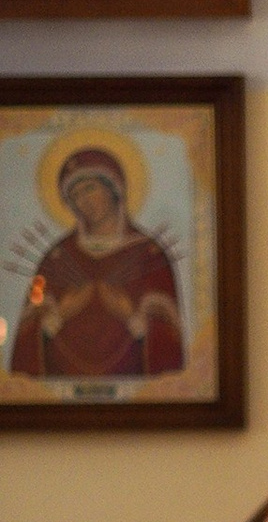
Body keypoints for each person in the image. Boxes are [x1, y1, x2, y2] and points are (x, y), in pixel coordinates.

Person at [8, 145, 183, 381]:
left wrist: (132, 317)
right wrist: (58, 315)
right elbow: (28, 335)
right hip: (61, 389)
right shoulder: (57, 257)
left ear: (114, 189)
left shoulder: (149, 254)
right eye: (74, 196)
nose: (83, 201)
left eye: (90, 188)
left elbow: (169, 337)